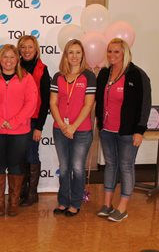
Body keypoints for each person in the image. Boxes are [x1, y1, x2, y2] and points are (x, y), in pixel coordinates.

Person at [95, 38, 151, 222]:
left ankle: (123, 207)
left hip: (128, 132)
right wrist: (100, 124)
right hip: (107, 130)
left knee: (126, 166)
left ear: (125, 52)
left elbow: (145, 105)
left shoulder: (137, 75)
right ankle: (107, 204)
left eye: (116, 52)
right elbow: (99, 101)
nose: (112, 55)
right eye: (109, 51)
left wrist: (139, 131)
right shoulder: (104, 73)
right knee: (111, 165)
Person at [0, 44, 38, 216]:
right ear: (0, 59)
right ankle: (0, 204)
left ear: (17, 59)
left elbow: (31, 103)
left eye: (12, 57)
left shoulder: (27, 78)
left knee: (15, 166)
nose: (8, 60)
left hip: (19, 131)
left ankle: (13, 203)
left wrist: (14, 122)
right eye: (5, 57)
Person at [50, 39, 96, 217]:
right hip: (60, 128)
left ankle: (75, 203)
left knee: (77, 168)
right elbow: (53, 103)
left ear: (82, 55)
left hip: (81, 130)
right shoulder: (58, 77)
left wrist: (73, 127)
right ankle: (63, 201)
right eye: (71, 52)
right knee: (64, 168)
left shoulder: (89, 76)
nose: (74, 56)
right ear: (66, 56)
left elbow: (88, 105)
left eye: (78, 52)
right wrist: (63, 125)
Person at [17, 35, 51, 206]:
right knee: (20, 157)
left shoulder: (42, 70)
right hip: (17, 121)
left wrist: (39, 127)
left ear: (36, 49)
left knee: (31, 155)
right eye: (23, 47)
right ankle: (22, 190)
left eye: (30, 47)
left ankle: (32, 193)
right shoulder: (14, 67)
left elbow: (46, 101)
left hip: (33, 121)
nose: (26, 50)